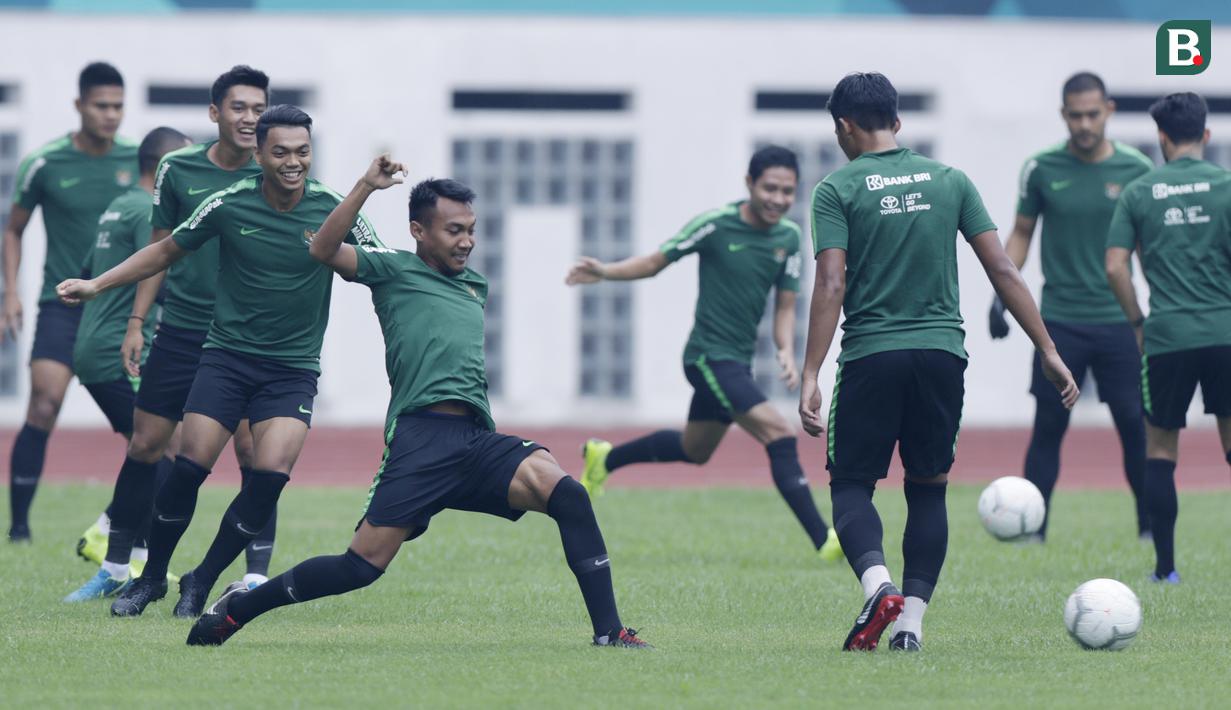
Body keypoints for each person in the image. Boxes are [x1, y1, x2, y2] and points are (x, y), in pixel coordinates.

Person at [184, 157, 647, 649]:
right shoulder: (391, 269)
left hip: (475, 439)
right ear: (418, 231)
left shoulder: (476, 285)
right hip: (419, 441)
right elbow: (321, 248)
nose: (466, 240)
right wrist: (366, 185)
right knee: (359, 568)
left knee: (569, 494)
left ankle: (609, 632)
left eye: (471, 229)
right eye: (453, 230)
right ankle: (239, 610)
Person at [57, 105, 379, 618]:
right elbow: (164, 251)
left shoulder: (332, 208)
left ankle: (201, 578)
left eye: (302, 152)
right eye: (280, 152)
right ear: (259, 155)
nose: (293, 162)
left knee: (269, 475)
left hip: (291, 369)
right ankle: (149, 580)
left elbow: (383, 266)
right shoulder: (228, 203)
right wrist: (97, 284)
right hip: (226, 360)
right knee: (188, 468)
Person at [800, 72, 1078, 652]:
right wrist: (1047, 350)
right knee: (927, 490)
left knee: (852, 485)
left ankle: (879, 587)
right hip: (942, 357)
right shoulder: (950, 180)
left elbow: (830, 283)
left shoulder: (836, 188)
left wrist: (810, 373)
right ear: (897, 122)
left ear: (845, 127)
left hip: (873, 354)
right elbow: (1003, 269)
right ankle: (910, 629)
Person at [566, 146, 841, 562]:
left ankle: (605, 457)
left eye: (788, 192)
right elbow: (656, 262)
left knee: (696, 450)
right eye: (770, 188)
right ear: (749, 184)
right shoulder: (715, 226)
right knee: (780, 434)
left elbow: (785, 305)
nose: (778, 199)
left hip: (737, 362)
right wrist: (605, 271)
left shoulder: (788, 237)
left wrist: (784, 348)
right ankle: (825, 540)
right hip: (706, 357)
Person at [73, 65, 277, 591]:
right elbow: (160, 250)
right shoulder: (178, 169)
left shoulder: (272, 171)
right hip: (182, 329)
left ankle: (254, 577)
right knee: (145, 444)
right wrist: (137, 321)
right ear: (215, 113)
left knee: (254, 453)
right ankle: (117, 567)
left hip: (246, 336)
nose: (250, 118)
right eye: (239, 107)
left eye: (259, 108)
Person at [989, 72, 1153, 541]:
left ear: (1109, 111)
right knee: (1049, 427)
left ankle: (1148, 527)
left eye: (1092, 114)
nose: (1084, 123)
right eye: (1075, 115)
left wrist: (1159, 301)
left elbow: (1145, 247)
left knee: (1134, 424)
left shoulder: (1137, 168)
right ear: (1064, 114)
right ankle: (1031, 530)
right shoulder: (1040, 168)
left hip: (1120, 321)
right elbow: (1021, 233)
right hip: (1058, 322)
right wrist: (1003, 296)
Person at [4, 62, 138, 543]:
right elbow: (14, 229)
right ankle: (19, 528)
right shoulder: (45, 162)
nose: (111, 115)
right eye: (101, 105)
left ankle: (116, 526)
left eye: (118, 106)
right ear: (79, 105)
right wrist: (11, 294)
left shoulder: (137, 162)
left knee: (144, 426)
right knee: (43, 405)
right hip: (59, 305)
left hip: (120, 312)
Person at [1105, 92, 1231, 585]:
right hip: (1225, 332)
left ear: (1160, 139)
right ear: (1206, 134)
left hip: (1167, 337)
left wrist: (1138, 321)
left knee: (1160, 451)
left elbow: (1115, 265)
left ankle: (1165, 569)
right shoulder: (1227, 186)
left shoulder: (1140, 192)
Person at [62, 126, 192, 601]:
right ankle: (113, 545)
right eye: (184, 163)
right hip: (122, 350)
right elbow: (159, 270)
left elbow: (88, 269)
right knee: (161, 452)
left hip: (96, 345)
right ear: (163, 169)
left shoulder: (118, 204)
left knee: (157, 450)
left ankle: (127, 552)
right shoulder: (146, 213)